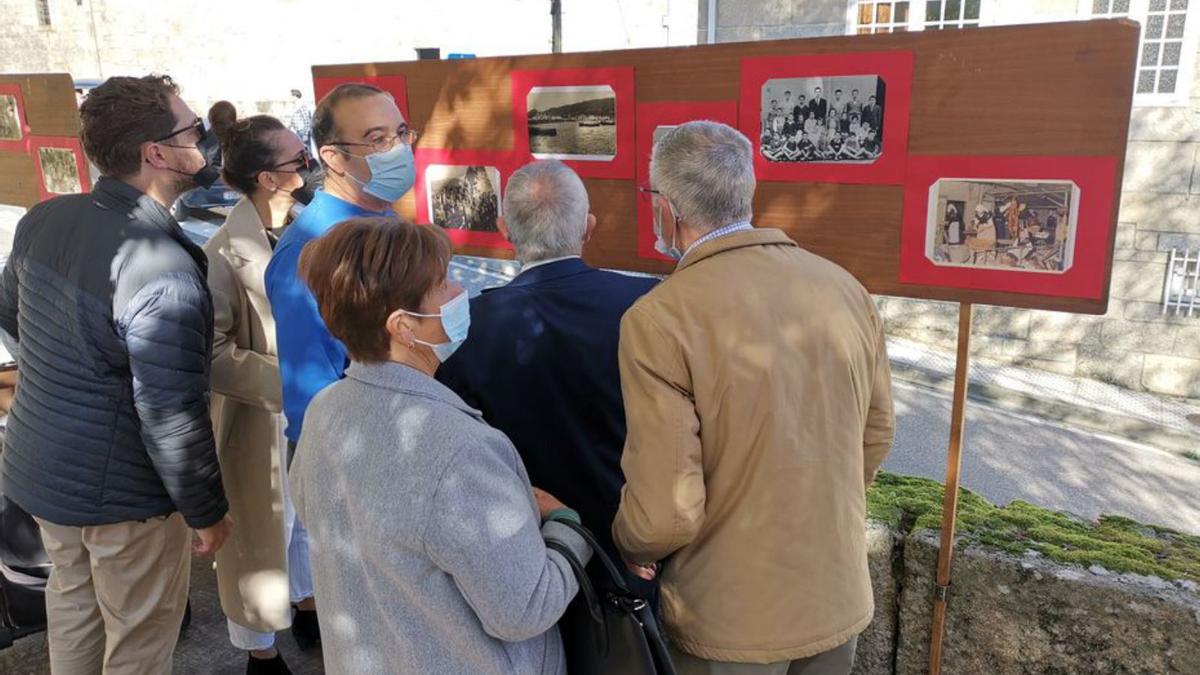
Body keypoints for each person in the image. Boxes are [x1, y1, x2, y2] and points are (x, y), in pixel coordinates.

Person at [616, 121, 894, 675]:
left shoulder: (660, 318)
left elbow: (667, 510)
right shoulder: (844, 287)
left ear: (665, 209)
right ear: (746, 192)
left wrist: (632, 544)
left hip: (728, 617)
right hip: (834, 591)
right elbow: (877, 431)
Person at [0, 74, 233, 674]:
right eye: (193, 129)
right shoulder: (162, 268)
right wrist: (206, 510)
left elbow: (15, 315)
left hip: (42, 466)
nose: (204, 139)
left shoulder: (45, 219)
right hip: (119, 493)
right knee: (139, 639)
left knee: (75, 610)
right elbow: (171, 413)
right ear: (155, 153)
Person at [290, 216, 591, 674]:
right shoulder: (459, 448)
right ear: (403, 327)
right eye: (441, 284)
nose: (458, 292)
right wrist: (566, 526)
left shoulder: (325, 409)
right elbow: (525, 608)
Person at [436, 159, 657, 598]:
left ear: (503, 228)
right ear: (588, 227)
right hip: (631, 540)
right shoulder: (646, 304)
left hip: (526, 545)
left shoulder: (469, 325)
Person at [265, 82, 415, 644]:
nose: (398, 149)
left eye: (400, 133)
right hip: (370, 473)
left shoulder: (390, 226)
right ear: (333, 157)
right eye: (377, 139)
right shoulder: (311, 250)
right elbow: (313, 401)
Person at [205, 112, 320, 674]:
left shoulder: (314, 230)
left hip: (319, 407)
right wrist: (289, 383)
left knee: (310, 520)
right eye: (299, 160)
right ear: (268, 178)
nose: (310, 166)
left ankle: (310, 605)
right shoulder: (223, 253)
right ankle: (260, 653)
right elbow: (213, 352)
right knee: (259, 538)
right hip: (262, 420)